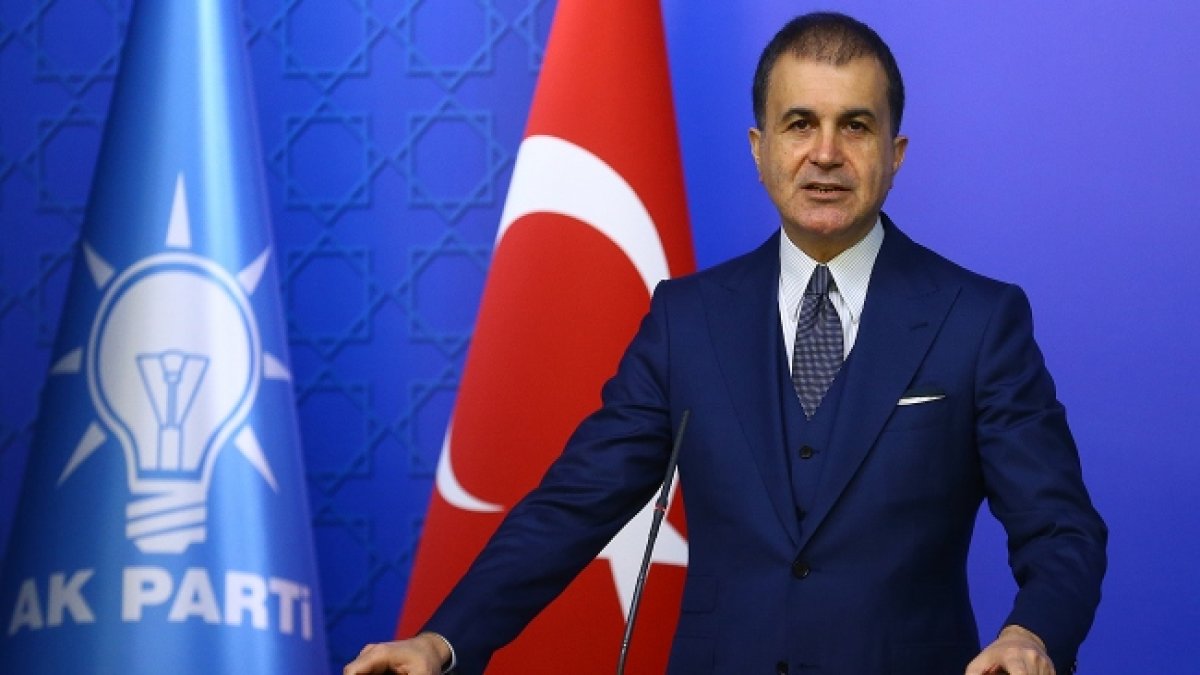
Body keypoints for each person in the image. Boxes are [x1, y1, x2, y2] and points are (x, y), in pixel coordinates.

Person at [345, 12, 1106, 675]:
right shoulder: (688, 320)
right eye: (799, 123)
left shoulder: (978, 319)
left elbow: (1061, 528)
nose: (826, 152)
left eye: (855, 125)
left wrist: (1031, 633)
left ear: (896, 152)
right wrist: (443, 640)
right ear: (758, 147)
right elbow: (574, 503)